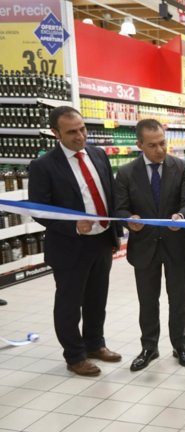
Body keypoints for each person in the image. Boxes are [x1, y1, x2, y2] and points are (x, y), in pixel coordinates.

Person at [28, 106, 122, 377]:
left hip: (101, 240)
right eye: (71, 132)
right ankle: (74, 355)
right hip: (70, 246)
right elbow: (39, 210)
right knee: (70, 303)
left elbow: (109, 194)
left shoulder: (98, 155)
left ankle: (95, 344)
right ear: (55, 133)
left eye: (82, 129)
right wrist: (71, 225)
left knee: (97, 298)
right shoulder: (44, 165)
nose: (80, 136)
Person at [114, 119, 185, 372]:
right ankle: (149, 347)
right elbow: (120, 208)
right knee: (148, 300)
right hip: (144, 246)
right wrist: (130, 220)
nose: (160, 150)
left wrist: (181, 217)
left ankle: (180, 345)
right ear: (139, 144)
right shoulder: (127, 173)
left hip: (177, 244)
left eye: (163, 143)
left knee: (179, 298)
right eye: (152, 145)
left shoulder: (183, 167)